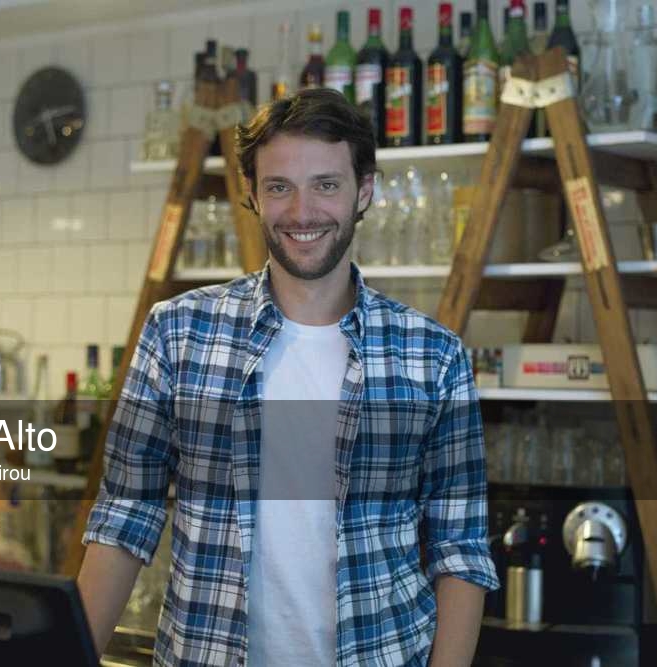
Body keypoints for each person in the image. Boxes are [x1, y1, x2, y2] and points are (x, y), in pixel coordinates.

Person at [77, 88, 498, 666]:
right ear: (252, 194)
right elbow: (125, 518)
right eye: (280, 187)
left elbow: (461, 550)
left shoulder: (434, 356)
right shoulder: (177, 332)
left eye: (326, 184)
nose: (302, 212)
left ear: (364, 191)